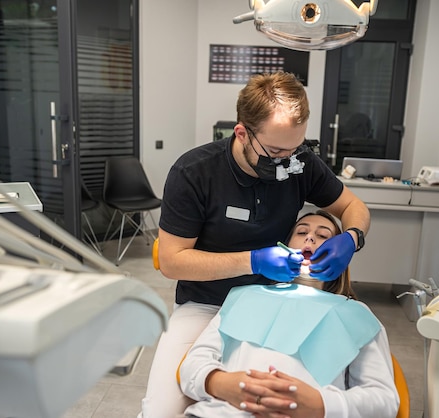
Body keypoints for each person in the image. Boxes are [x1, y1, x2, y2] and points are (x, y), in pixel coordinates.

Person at [141, 72, 371, 417]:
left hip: (275, 303)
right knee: (162, 410)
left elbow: (355, 208)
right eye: (276, 151)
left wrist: (351, 239)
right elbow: (173, 261)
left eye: (295, 149)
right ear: (242, 133)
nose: (286, 163)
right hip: (207, 305)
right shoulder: (194, 173)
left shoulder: (300, 164)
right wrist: (253, 261)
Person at [179, 211, 398, 418]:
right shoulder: (246, 297)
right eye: (302, 232)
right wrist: (222, 384)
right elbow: (192, 365)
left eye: (323, 235)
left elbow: (385, 399)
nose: (310, 238)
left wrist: (321, 404)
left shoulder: (355, 315)